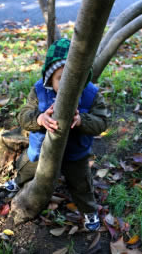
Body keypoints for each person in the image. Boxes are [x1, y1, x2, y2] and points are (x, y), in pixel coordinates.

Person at [16, 38, 109, 231]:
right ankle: (17, 182)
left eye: (75, 80)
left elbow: (102, 122)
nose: (70, 87)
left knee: (81, 183)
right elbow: (23, 115)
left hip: (75, 153)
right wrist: (39, 119)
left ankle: (89, 210)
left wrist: (83, 121)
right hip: (42, 149)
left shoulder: (90, 94)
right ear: (50, 77)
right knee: (27, 167)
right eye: (62, 79)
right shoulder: (40, 90)